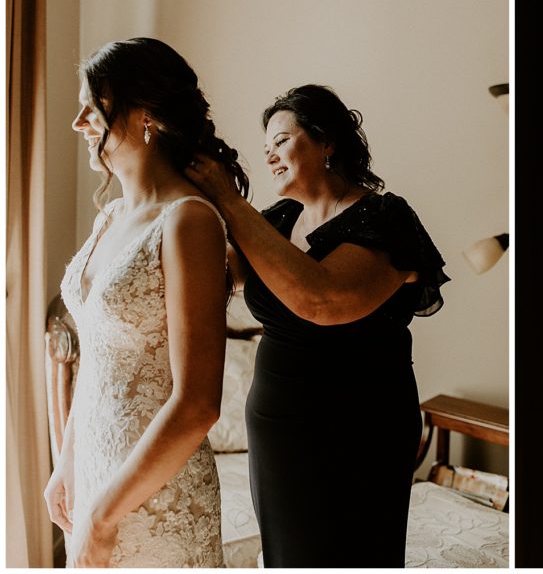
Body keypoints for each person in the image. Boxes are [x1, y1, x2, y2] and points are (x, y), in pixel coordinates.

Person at [187, 84, 449, 567]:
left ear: (327, 141)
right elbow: (211, 276)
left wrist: (230, 200)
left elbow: (323, 299)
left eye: (282, 141)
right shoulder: (275, 221)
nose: (270, 157)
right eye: (265, 149)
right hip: (276, 426)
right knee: (288, 557)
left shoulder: (385, 216)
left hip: (361, 427)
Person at [46, 37, 249, 567]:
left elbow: (198, 403)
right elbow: (96, 362)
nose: (78, 122)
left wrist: (105, 515)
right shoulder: (110, 218)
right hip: (96, 474)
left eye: (94, 104)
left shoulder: (188, 221)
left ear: (146, 115)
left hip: (156, 495)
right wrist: (65, 463)